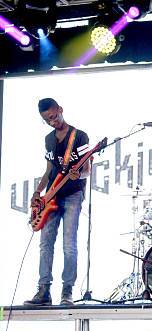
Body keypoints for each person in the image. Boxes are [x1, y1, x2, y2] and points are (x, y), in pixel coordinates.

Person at [25, 98, 90, 307]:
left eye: (53, 116)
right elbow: (49, 170)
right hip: (51, 197)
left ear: (60, 110)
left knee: (69, 245)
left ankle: (67, 291)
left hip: (72, 195)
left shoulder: (79, 136)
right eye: (47, 120)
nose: (52, 122)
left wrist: (76, 175)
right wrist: (37, 192)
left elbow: (87, 170)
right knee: (45, 244)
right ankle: (43, 290)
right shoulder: (48, 139)